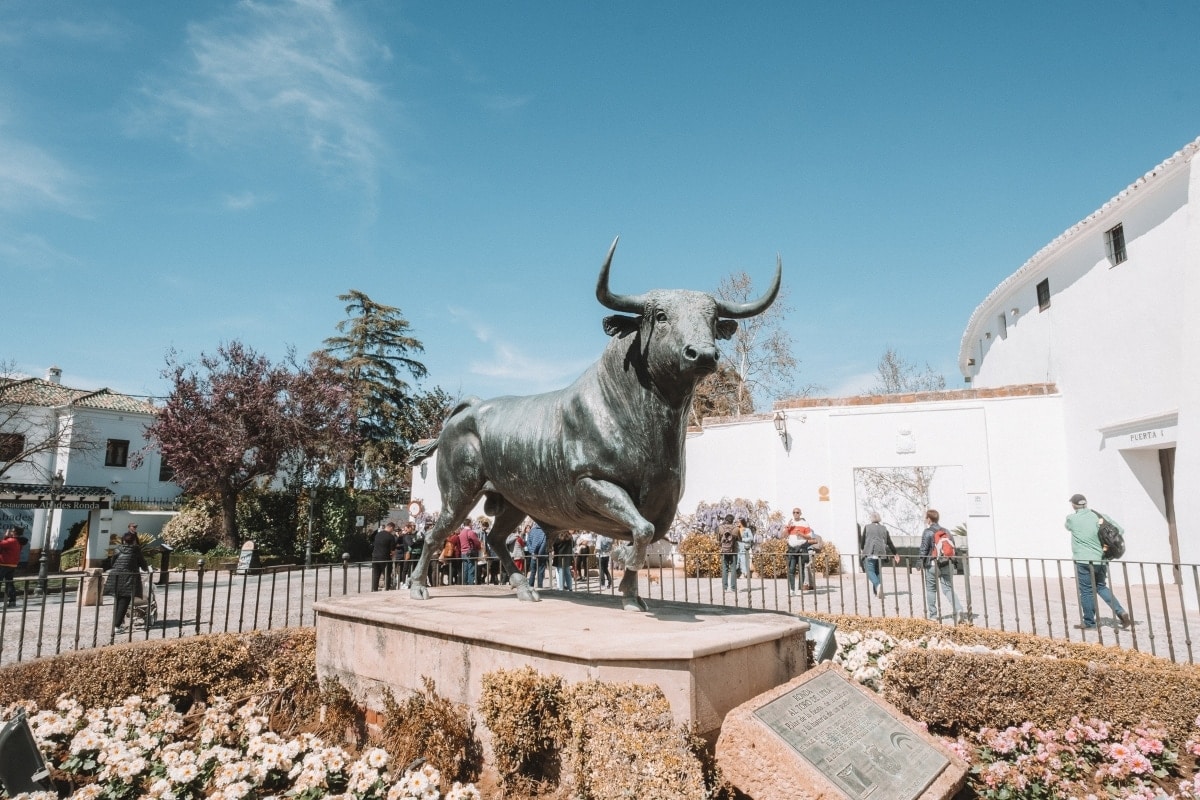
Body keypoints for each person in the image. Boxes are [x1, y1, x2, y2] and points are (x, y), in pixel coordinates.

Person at [1066, 493, 1132, 630]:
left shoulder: (1072, 518)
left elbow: (1068, 527)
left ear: (1073, 505)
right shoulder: (1099, 516)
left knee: (1086, 591)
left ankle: (1089, 622)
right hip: (1101, 559)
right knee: (1101, 586)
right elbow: (1120, 530)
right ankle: (1121, 612)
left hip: (1083, 560)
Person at [920, 509, 963, 623]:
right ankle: (959, 610)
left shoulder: (927, 532)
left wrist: (920, 562)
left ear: (929, 519)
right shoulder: (947, 531)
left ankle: (933, 616)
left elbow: (924, 549)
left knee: (931, 589)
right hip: (946, 563)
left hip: (933, 565)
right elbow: (953, 548)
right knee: (948, 589)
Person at [104, 530, 149, 634]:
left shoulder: (117, 549)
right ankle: (116, 626)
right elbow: (142, 563)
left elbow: (112, 562)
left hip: (115, 577)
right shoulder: (136, 550)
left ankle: (117, 624)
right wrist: (145, 568)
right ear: (134, 541)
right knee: (124, 602)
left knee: (118, 600)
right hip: (129, 578)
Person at [860, 512, 899, 599]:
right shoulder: (884, 528)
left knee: (869, 571)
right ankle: (877, 592)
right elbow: (889, 542)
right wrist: (895, 553)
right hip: (881, 554)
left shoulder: (867, 527)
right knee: (877, 572)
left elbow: (863, 541)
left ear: (871, 519)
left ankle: (877, 585)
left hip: (870, 552)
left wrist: (862, 548)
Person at [783, 508, 818, 594]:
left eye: (797, 512)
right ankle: (792, 590)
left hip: (801, 548)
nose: (795, 514)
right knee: (791, 570)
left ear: (800, 513)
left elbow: (810, 537)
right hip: (792, 549)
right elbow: (784, 536)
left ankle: (799, 590)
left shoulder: (805, 523)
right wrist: (787, 528)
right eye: (794, 512)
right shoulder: (790, 522)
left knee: (801, 569)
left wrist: (801, 534)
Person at [0, 527, 25, 607]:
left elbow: (1, 544)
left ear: (15, 532)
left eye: (12, 530)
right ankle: (12, 601)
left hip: (4, 564)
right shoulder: (19, 541)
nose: (10, 531)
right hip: (12, 565)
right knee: (10, 583)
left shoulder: (11, 541)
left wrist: (5, 536)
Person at [371, 522, 398, 591]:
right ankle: (387, 589)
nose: (393, 531)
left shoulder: (377, 535)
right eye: (393, 529)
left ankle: (374, 589)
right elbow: (393, 551)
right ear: (391, 527)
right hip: (385, 558)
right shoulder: (390, 536)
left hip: (375, 557)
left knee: (376, 575)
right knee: (387, 574)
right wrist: (393, 557)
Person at [718, 515, 739, 592]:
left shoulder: (720, 528)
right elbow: (739, 539)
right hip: (733, 551)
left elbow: (718, 539)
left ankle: (725, 588)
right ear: (733, 520)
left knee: (724, 569)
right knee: (733, 569)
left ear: (725, 520)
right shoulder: (736, 529)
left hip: (724, 551)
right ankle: (733, 588)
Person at [526, 521, 548, 589]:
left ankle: (530, 585)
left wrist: (532, 552)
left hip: (533, 554)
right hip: (541, 554)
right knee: (540, 571)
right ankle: (539, 585)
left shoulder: (532, 531)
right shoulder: (544, 531)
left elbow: (528, 542)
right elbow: (543, 544)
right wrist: (539, 554)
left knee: (533, 571)